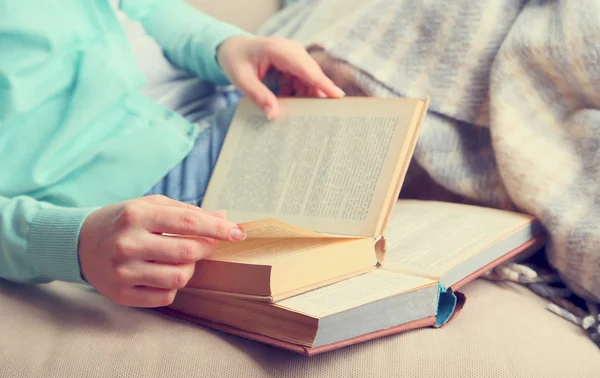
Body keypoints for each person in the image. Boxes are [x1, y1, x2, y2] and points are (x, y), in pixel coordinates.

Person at [0, 0, 344, 308]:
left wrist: (227, 45)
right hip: (148, 193)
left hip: (234, 96)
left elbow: (147, 9)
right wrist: (73, 243)